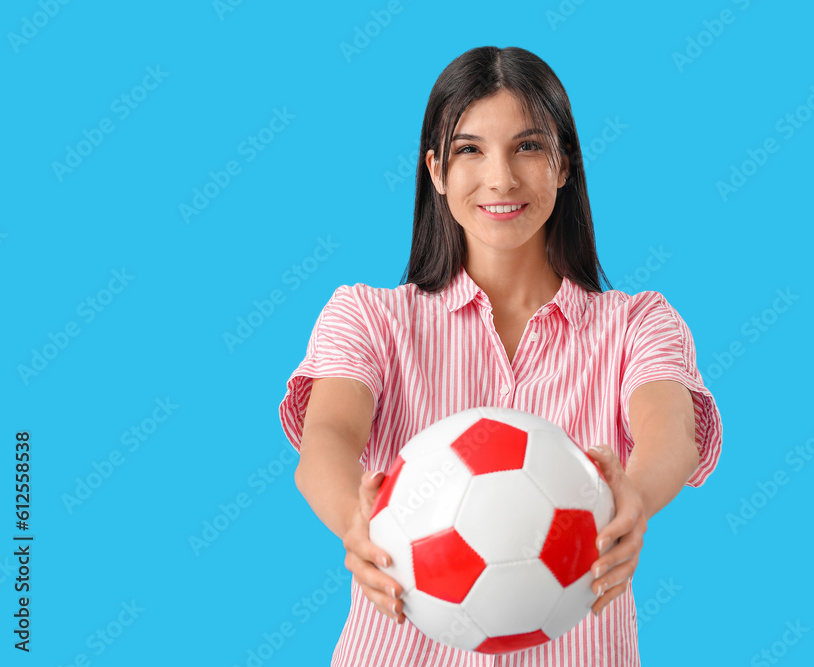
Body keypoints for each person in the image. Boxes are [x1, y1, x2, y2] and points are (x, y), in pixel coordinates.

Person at [278, 45, 723, 667]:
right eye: (470, 150)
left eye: (529, 146)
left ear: (564, 164)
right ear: (435, 169)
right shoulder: (371, 316)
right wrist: (354, 521)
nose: (501, 179)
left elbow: (670, 432)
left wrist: (634, 500)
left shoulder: (637, 324)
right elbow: (325, 438)